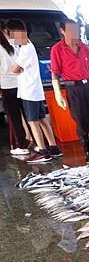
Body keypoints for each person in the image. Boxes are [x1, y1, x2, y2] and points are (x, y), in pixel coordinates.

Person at [50, 19, 89, 163]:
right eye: (70, 30)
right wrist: (58, 94)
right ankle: (88, 153)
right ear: (62, 31)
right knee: (81, 121)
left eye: (76, 30)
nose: (75, 33)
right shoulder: (57, 49)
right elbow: (55, 73)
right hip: (73, 88)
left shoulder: (83, 47)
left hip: (88, 86)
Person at [8, 20, 60, 164]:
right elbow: (18, 69)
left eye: (11, 34)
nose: (11, 37)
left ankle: (43, 152)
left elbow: (14, 69)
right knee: (42, 120)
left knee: (32, 122)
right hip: (33, 90)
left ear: (18, 32)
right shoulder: (25, 46)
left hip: (29, 91)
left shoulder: (26, 48)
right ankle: (54, 148)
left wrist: (17, 69)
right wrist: (19, 69)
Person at [0, 21, 29, 156]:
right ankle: (33, 140)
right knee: (27, 115)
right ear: (5, 29)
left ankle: (22, 145)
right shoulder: (13, 43)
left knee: (14, 118)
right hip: (21, 83)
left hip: (7, 86)